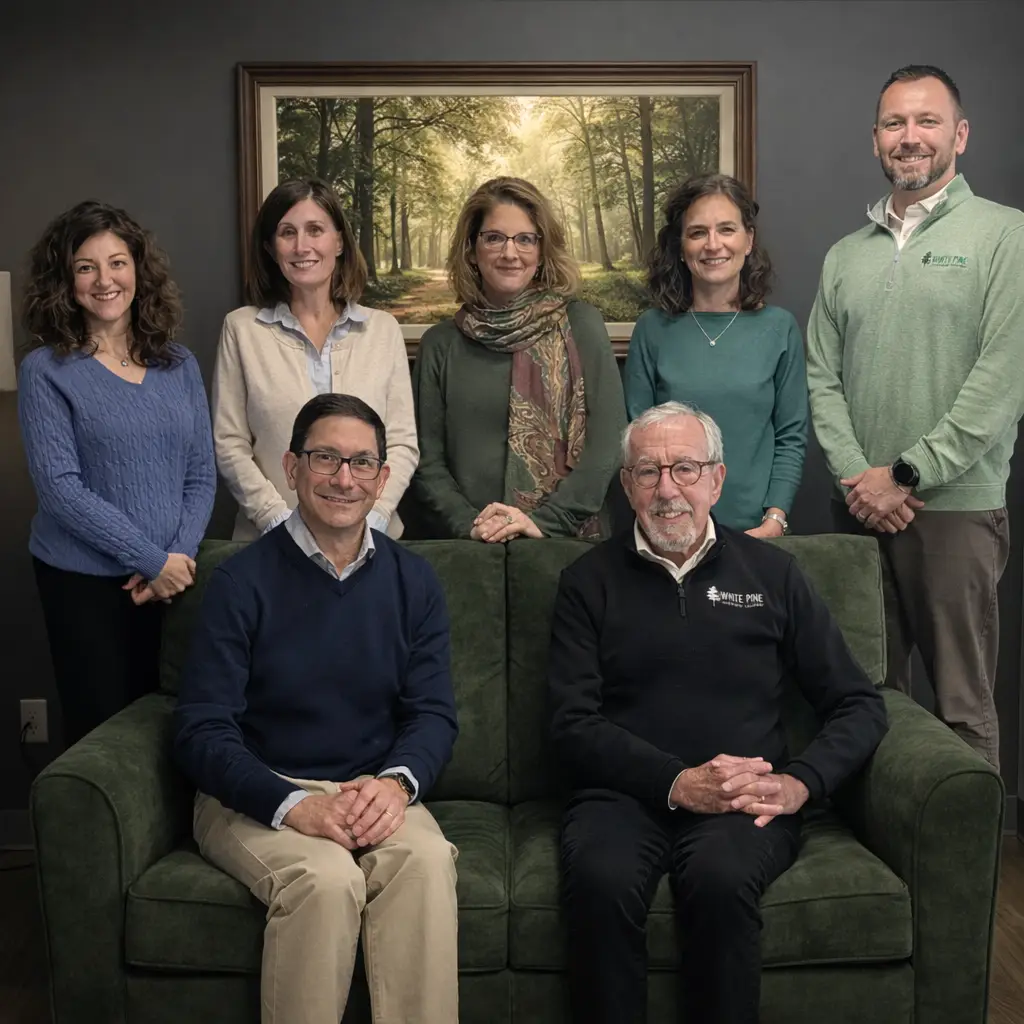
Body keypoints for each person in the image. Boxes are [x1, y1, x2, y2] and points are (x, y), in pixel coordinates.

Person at [550, 401, 887, 1024]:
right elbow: (572, 724)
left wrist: (800, 783)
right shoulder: (586, 581)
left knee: (720, 880)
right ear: (627, 484)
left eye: (685, 468)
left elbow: (858, 703)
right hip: (620, 796)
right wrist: (677, 782)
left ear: (717, 480)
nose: (667, 489)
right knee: (600, 880)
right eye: (648, 471)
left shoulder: (773, 574)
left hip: (743, 798)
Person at [175, 393, 459, 1024]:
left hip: (370, 787)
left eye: (361, 463)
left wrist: (395, 785)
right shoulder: (239, 582)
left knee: (427, 861)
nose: (344, 478)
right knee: (328, 881)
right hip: (257, 791)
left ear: (383, 478)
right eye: (325, 458)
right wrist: (293, 804)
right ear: (292, 467)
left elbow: (433, 714)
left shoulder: (414, 582)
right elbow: (201, 729)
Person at [806, 64, 1024, 770]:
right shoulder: (845, 256)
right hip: (858, 510)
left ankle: (966, 849)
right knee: (865, 699)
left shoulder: (1007, 236)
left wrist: (903, 474)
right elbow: (822, 379)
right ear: (875, 139)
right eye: (895, 123)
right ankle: (883, 842)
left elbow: (1001, 381)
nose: (910, 136)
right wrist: (858, 480)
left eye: (927, 120)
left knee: (962, 706)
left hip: (954, 510)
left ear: (959, 135)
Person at [18, 200, 215, 746]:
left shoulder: (179, 364)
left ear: (138, 270)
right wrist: (150, 560)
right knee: (104, 741)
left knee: (179, 733)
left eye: (117, 263)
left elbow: (201, 474)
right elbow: (60, 490)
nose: (105, 280)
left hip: (175, 582)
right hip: (84, 587)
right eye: (86, 267)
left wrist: (176, 560)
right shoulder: (45, 371)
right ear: (65, 282)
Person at [410, 176, 625, 542]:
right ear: (471, 249)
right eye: (494, 238)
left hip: (565, 542)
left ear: (542, 251)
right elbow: (426, 462)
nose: (510, 253)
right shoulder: (440, 344)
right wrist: (473, 526)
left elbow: (608, 443)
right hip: (470, 545)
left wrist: (546, 522)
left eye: (525, 239)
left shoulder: (582, 325)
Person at [213, 177, 418, 541]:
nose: (301, 246)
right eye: (287, 232)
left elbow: (401, 444)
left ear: (338, 241)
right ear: (270, 248)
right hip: (270, 542)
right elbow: (230, 443)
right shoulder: (242, 330)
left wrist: (373, 520)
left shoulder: (382, 330)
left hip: (372, 542)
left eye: (315, 230)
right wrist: (277, 522)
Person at [623, 173, 808, 536]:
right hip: (670, 528)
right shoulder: (652, 329)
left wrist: (775, 519)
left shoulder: (779, 328)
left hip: (756, 532)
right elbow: (638, 446)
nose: (713, 244)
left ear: (748, 240)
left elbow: (791, 437)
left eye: (726, 229)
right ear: (680, 246)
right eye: (697, 233)